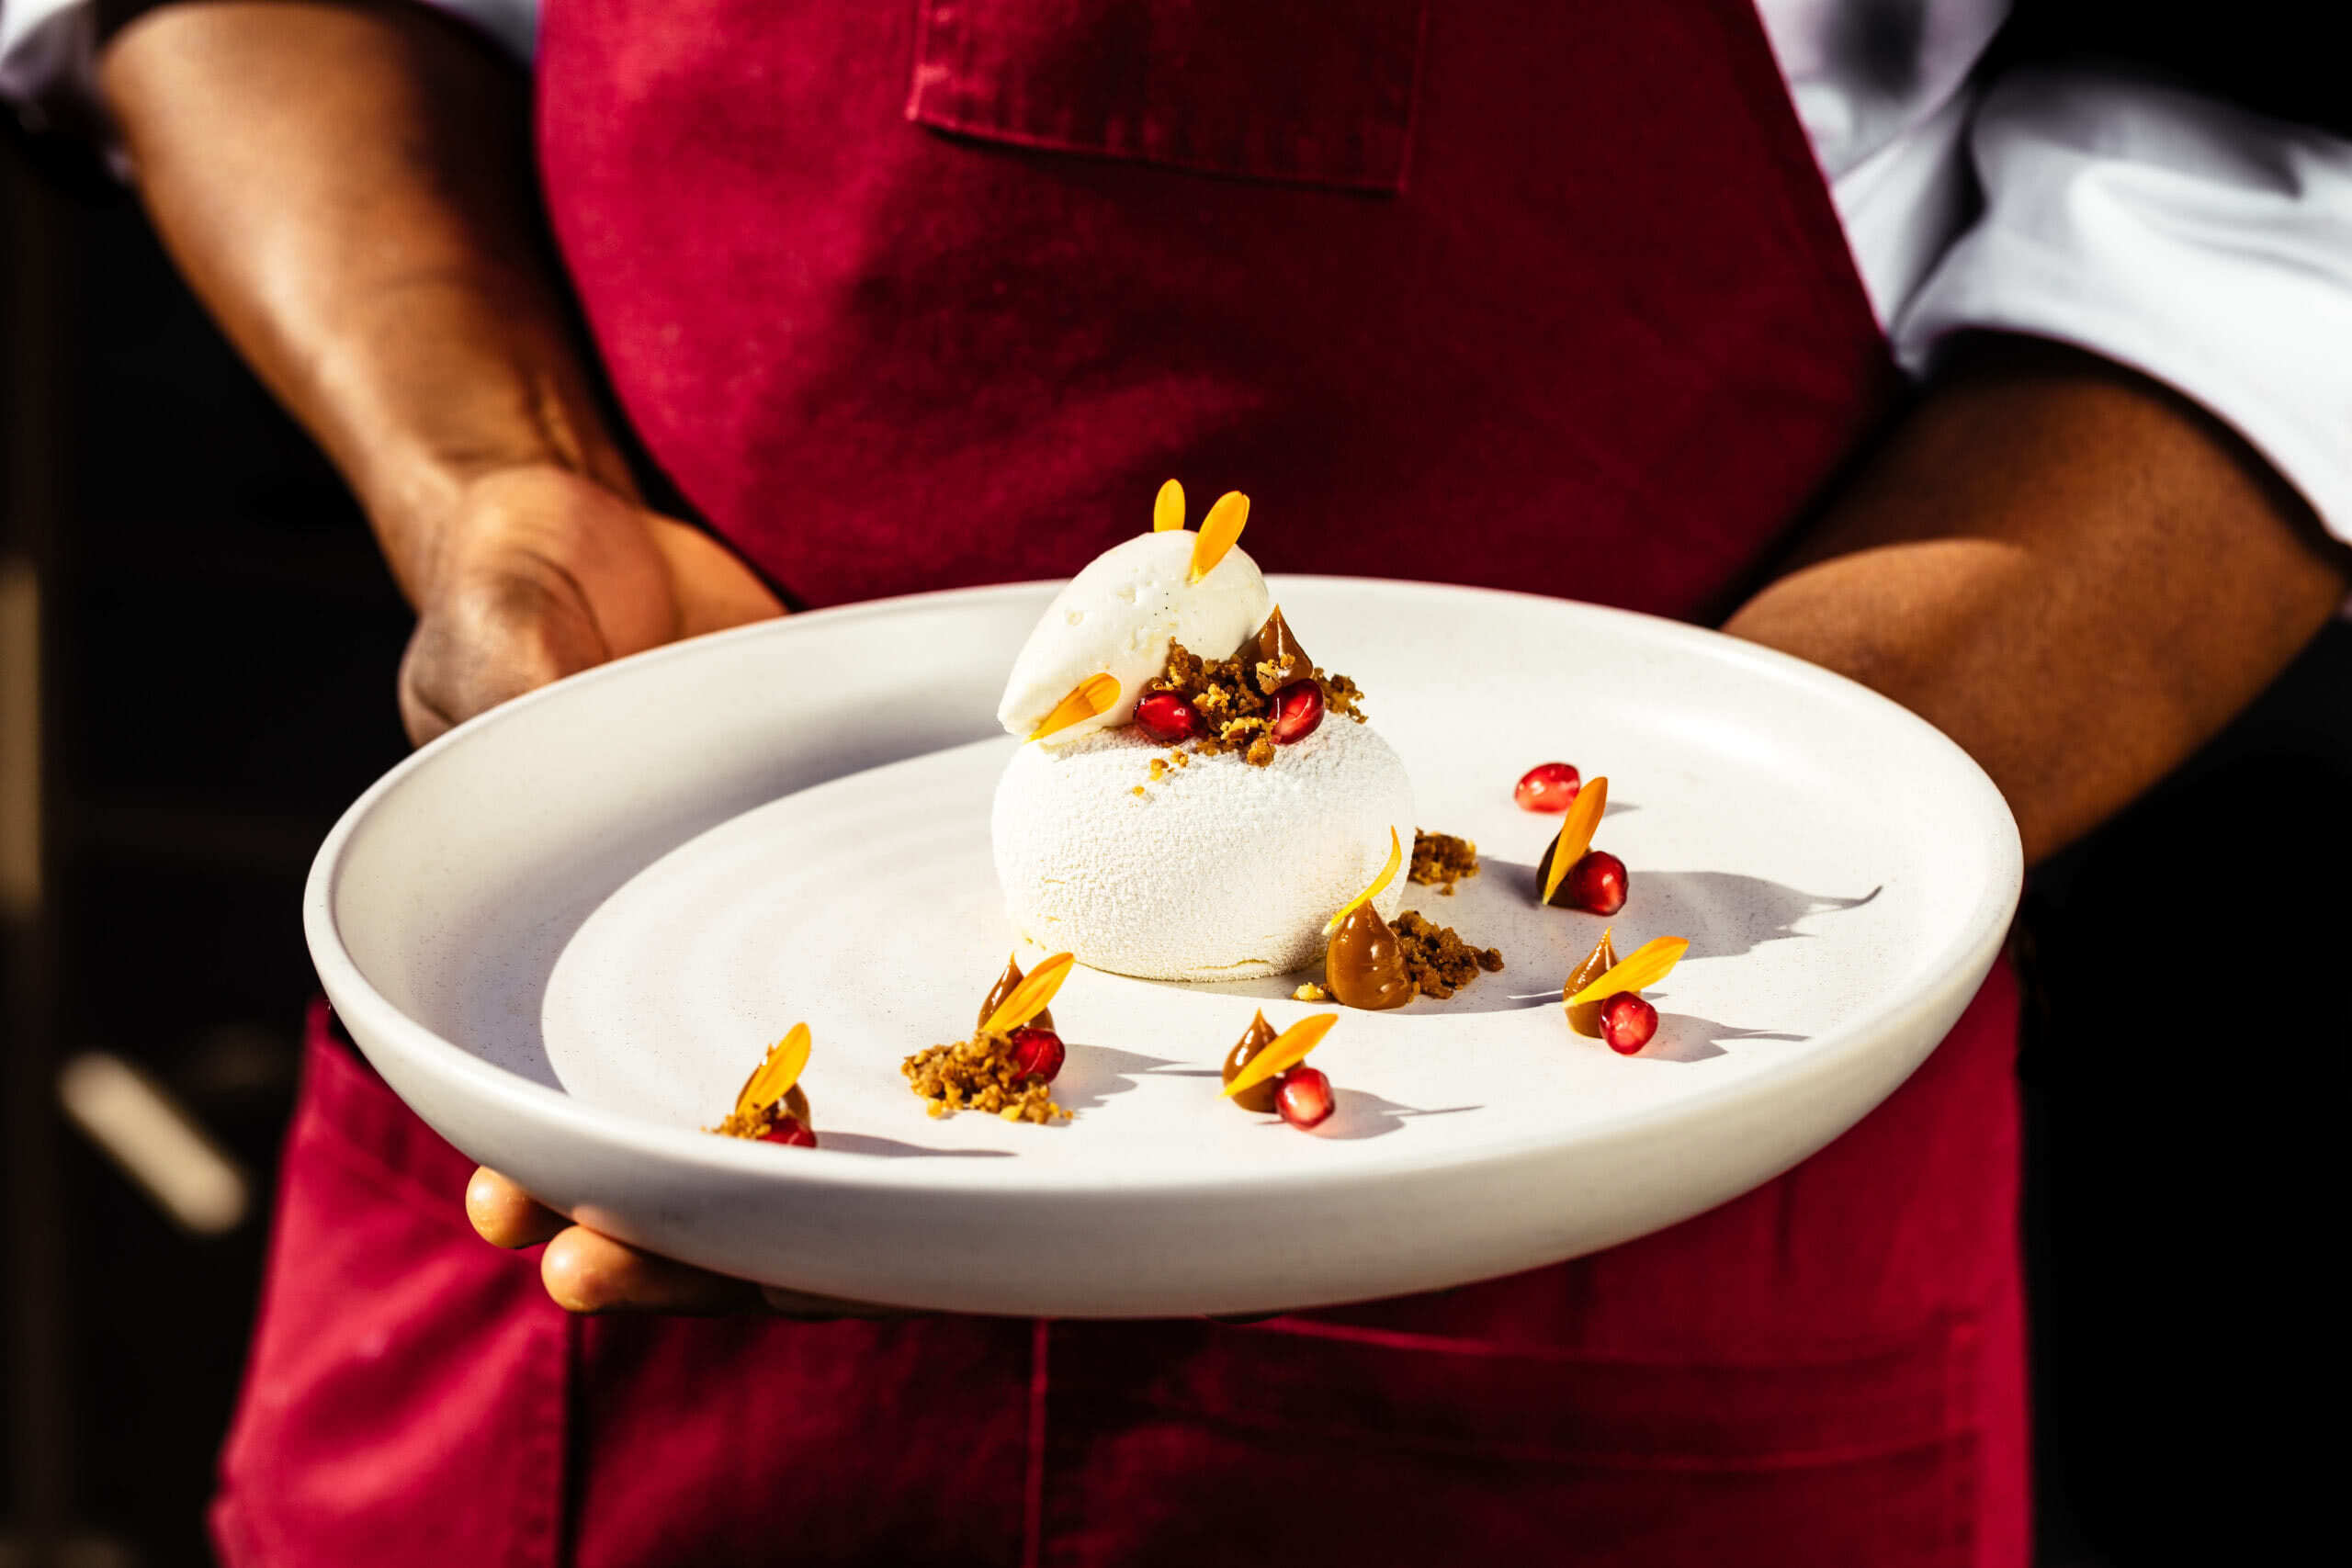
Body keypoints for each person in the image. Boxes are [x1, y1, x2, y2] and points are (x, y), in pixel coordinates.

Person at [7, 1, 2348, 1562]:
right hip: (626, 1050)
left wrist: (1766, 805)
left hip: (1644, 1199)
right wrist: (490, 491)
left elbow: (2278, 188)